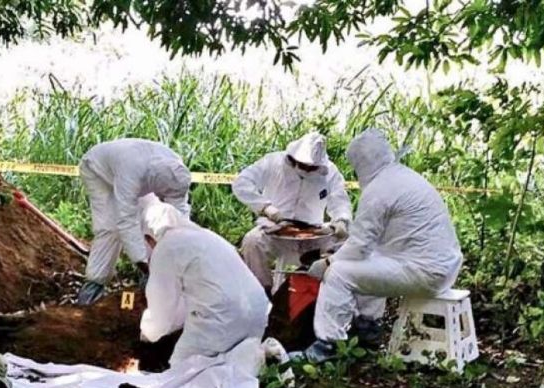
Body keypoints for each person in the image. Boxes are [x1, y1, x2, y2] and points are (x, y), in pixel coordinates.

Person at [295, 128, 463, 362]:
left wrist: (327, 263)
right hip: (442, 267)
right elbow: (369, 243)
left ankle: (328, 346)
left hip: (424, 272)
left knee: (338, 273)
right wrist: (340, 252)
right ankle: (367, 331)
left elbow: (360, 246)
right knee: (366, 263)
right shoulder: (403, 177)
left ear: (362, 163)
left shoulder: (379, 189)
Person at [139, 199, 271, 367]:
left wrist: (147, 333)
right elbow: (188, 301)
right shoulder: (207, 236)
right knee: (236, 368)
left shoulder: (166, 248)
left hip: (222, 319)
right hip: (257, 313)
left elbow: (162, 311)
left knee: (182, 370)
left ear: (149, 236)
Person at [232, 131, 352, 293]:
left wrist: (341, 220)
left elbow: (340, 200)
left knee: (346, 243)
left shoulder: (330, 172)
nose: (307, 170)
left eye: (312, 168)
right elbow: (242, 183)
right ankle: (262, 291)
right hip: (275, 229)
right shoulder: (272, 162)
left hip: (313, 234)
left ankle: (328, 293)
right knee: (252, 241)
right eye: (303, 165)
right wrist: (265, 207)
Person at [76, 138, 192, 305]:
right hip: (98, 171)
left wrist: (181, 253)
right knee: (110, 229)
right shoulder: (131, 172)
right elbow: (126, 221)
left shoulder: (176, 174)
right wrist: (144, 264)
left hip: (139, 174)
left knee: (153, 219)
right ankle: (92, 291)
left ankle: (146, 290)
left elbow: (179, 216)